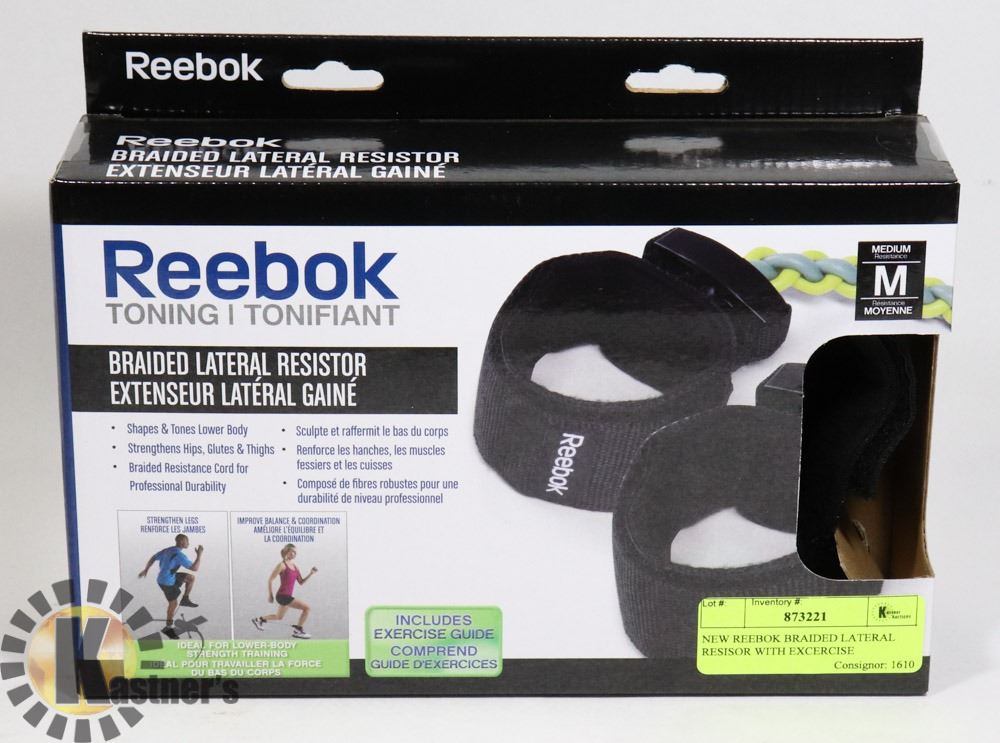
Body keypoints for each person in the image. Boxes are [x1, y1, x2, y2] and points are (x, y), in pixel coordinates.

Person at [138, 534, 204, 639]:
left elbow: (153, 558)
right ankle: (168, 628)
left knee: (190, 578)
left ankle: (185, 599)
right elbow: (195, 568)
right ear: (182, 542)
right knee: (173, 604)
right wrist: (199, 555)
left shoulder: (168, 550)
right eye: (187, 541)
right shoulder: (179, 555)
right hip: (166, 582)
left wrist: (146, 570)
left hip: (167, 577)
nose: (189, 543)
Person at [251, 544, 317, 639]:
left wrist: (311, 574)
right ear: (286, 552)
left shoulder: (295, 567)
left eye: (295, 552)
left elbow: (301, 582)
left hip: (287, 596)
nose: (294, 554)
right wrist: (270, 595)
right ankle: (298, 630)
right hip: (282, 596)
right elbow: (270, 580)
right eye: (292, 552)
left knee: (279, 617)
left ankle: (258, 620)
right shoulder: (282, 565)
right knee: (307, 608)